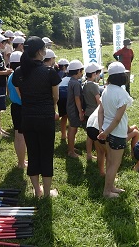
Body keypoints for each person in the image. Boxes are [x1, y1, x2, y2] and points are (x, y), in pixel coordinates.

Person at [14, 36, 61, 197]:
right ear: (40, 52)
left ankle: (37, 191)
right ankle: (47, 193)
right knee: (46, 154)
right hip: (45, 118)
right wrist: (51, 108)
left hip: (27, 117)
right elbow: (55, 97)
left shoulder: (19, 72)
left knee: (33, 154)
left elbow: (20, 95)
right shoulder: (49, 72)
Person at [97, 62, 133, 198]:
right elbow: (118, 119)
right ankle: (107, 191)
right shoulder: (122, 94)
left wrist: (102, 129)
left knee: (110, 161)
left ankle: (111, 187)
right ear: (122, 76)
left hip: (106, 130)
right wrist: (105, 132)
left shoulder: (106, 90)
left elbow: (101, 111)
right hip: (117, 133)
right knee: (115, 163)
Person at [8, 51, 27, 169]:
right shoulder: (18, 77)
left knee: (18, 135)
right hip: (21, 107)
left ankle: (21, 160)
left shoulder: (11, 75)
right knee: (21, 136)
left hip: (15, 106)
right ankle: (21, 163)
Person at [83, 63, 102, 161]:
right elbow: (98, 101)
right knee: (97, 136)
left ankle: (89, 155)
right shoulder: (94, 86)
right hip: (94, 113)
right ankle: (100, 156)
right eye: (98, 73)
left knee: (89, 136)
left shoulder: (85, 84)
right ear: (94, 74)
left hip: (87, 112)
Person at [66, 60, 85, 158]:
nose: (82, 73)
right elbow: (77, 98)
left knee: (72, 129)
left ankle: (71, 147)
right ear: (77, 71)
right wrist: (80, 112)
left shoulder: (71, 81)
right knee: (73, 130)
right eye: (81, 71)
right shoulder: (76, 84)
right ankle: (71, 151)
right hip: (74, 110)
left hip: (69, 108)